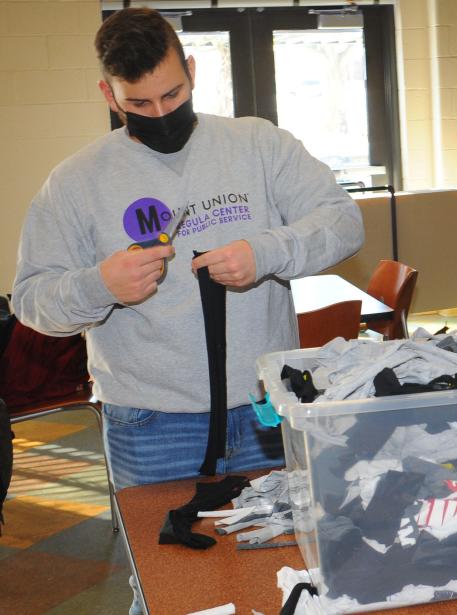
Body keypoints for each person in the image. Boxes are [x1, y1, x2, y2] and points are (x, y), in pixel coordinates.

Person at [13, 7, 364, 491]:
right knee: (165, 562)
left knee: (286, 554)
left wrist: (265, 252)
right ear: (108, 95)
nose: (160, 114)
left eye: (172, 94)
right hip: (150, 423)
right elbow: (32, 301)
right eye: (138, 103)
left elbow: (343, 222)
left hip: (269, 404)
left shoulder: (259, 144)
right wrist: (100, 286)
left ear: (192, 72)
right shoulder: (75, 182)